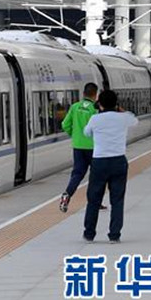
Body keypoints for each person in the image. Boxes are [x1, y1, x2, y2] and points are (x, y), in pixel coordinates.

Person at [82, 90, 138, 243]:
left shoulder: (95, 119)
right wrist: (120, 110)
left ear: (100, 104)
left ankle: (89, 233)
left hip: (99, 162)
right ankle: (114, 235)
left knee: (94, 199)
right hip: (118, 161)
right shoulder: (124, 118)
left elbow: (86, 133)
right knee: (117, 200)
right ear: (116, 104)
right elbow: (134, 120)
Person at [59, 82, 99, 212]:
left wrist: (75, 135)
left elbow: (65, 124)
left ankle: (67, 194)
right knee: (95, 175)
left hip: (78, 146)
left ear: (83, 93)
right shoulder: (95, 109)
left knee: (77, 173)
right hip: (93, 147)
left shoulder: (75, 107)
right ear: (95, 95)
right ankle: (94, 201)